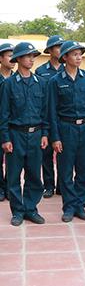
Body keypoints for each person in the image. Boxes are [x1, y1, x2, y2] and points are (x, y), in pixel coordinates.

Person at [47, 41, 85, 222]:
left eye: (80, 54)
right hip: (65, 128)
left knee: (84, 171)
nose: (79, 57)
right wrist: (55, 137)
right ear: (65, 57)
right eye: (75, 54)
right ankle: (69, 207)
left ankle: (80, 206)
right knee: (66, 171)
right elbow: (51, 111)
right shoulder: (55, 81)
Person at [0, 42, 49, 226]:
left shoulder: (40, 83)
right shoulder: (9, 84)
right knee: (13, 176)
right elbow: (3, 114)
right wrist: (5, 138)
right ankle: (17, 211)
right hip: (16, 135)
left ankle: (31, 209)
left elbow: (44, 113)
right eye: (28, 56)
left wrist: (45, 134)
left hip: (35, 135)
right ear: (18, 59)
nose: (31, 59)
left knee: (34, 175)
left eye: (33, 56)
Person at [36, 35, 64, 199]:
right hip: (46, 117)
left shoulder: (67, 69)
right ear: (50, 50)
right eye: (57, 46)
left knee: (63, 153)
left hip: (63, 118)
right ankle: (48, 185)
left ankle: (61, 185)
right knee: (46, 153)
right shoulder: (41, 71)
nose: (60, 49)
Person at [0, 43, 15, 202]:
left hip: (14, 126)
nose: (13, 59)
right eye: (9, 55)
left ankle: (11, 188)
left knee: (13, 161)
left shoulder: (17, 78)